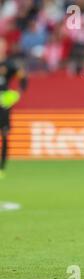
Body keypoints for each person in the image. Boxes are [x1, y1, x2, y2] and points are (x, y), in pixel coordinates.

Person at [0, 39, 28, 179]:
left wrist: (17, 94)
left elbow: (23, 79)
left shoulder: (9, 65)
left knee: (4, 135)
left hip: (3, 104)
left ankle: (2, 168)